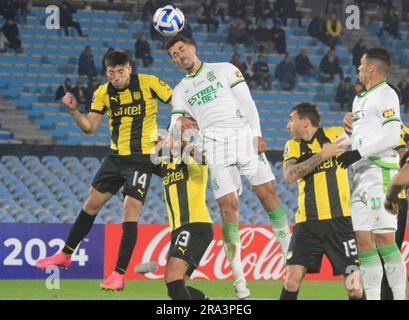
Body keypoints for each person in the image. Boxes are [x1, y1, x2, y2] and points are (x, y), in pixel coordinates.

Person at [164, 35, 291, 299]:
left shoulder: (224, 69)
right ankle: (239, 280)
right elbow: (175, 124)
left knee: (268, 196)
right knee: (227, 208)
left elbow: (247, 103)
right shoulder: (180, 91)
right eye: (174, 55)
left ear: (193, 47)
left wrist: (256, 133)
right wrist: (179, 126)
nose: (179, 56)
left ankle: (289, 257)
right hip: (214, 148)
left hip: (243, 137)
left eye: (181, 49)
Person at [35, 50, 173, 291]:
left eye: (121, 72)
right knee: (90, 204)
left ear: (130, 68)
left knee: (129, 210)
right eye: (111, 73)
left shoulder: (150, 83)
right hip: (115, 158)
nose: (116, 77)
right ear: (106, 73)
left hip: (142, 158)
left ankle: (118, 274)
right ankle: (66, 254)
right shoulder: (102, 92)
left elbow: (178, 104)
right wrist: (74, 111)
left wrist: (171, 134)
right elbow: (89, 128)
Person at [336, 48, 407, 299]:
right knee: (364, 244)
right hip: (360, 177)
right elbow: (358, 135)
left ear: (372, 69)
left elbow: (391, 135)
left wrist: (358, 153)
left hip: (381, 173)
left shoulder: (387, 94)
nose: (357, 68)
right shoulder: (360, 99)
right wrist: (337, 147)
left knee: (385, 241)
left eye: (361, 64)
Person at [281, 102, 363, 300]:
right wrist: (321, 155)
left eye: (291, 120)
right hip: (306, 226)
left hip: (340, 224)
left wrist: (353, 117)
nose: (288, 125)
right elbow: (290, 175)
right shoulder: (292, 146)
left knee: (355, 287)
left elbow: (368, 129)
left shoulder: (335, 135)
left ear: (306, 122)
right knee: (291, 280)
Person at [150, 130, 213, 300]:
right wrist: (156, 142)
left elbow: (205, 157)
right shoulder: (166, 164)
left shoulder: (194, 158)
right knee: (174, 287)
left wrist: (184, 143)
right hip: (180, 228)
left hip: (195, 224)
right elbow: (147, 160)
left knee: (172, 278)